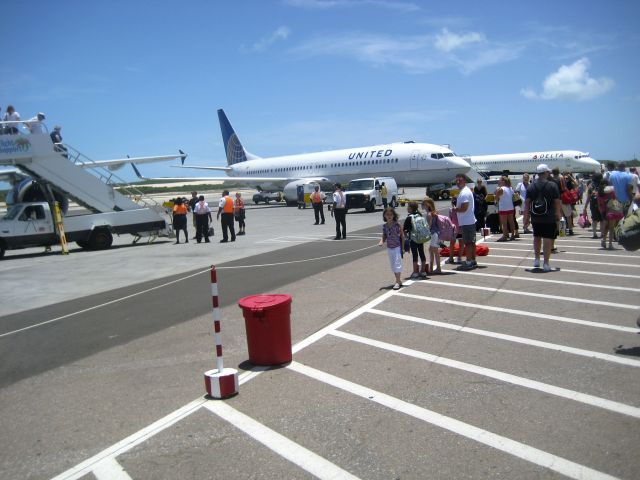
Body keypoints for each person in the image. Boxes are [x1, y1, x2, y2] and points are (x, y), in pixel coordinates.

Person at [523, 164, 561, 272]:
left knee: (537, 237)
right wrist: (558, 214)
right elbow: (557, 202)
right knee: (547, 239)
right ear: (545, 173)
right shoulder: (552, 186)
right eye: (547, 172)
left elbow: (527, 204)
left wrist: (526, 218)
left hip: (536, 217)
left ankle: (536, 259)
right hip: (549, 217)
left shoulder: (531, 186)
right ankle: (546, 263)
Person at [452, 173, 477, 270]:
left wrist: (455, 209)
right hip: (468, 221)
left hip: (467, 222)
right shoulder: (464, 191)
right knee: (471, 242)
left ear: (465, 181)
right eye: (457, 180)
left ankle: (469, 261)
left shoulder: (465, 192)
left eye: (460, 180)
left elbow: (464, 208)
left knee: (468, 243)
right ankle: (473, 260)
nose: (458, 182)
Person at [379, 207, 404, 290]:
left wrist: (403, 248)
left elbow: (402, 236)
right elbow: (384, 235)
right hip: (390, 247)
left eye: (391, 214)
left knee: (397, 264)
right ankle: (398, 280)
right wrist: (381, 241)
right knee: (393, 265)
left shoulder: (397, 224)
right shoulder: (385, 226)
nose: (389, 216)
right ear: (384, 216)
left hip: (397, 247)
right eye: (387, 215)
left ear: (394, 215)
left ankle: (397, 282)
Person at [403, 202, 428, 279]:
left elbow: (404, 230)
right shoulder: (419, 215)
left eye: (408, 207)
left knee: (415, 254)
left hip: (413, 238)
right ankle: (423, 271)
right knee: (421, 253)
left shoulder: (409, 217)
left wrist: (406, 237)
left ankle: (415, 272)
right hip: (421, 237)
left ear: (411, 208)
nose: (407, 208)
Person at [597, 179, 624, 250]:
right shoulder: (611, 192)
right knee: (611, 228)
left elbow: (599, 204)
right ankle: (610, 244)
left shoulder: (599, 193)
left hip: (604, 211)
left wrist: (601, 212)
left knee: (607, 227)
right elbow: (616, 200)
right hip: (611, 211)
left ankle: (603, 240)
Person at [422, 197, 441, 274]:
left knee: (435, 251)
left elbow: (429, 226)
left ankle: (438, 268)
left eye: (423, 204)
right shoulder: (434, 212)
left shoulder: (429, 214)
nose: (422, 205)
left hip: (433, 234)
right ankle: (431, 268)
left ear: (427, 205)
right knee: (431, 250)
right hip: (436, 233)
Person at [495, 175, 516, 241]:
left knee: (504, 223)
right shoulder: (510, 188)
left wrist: (496, 198)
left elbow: (496, 198)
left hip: (503, 207)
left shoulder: (501, 189)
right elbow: (512, 197)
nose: (499, 181)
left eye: (500, 180)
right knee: (511, 222)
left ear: (503, 181)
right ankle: (513, 235)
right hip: (510, 207)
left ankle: (505, 235)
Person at [582, 173, 603, 239]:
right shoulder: (602, 185)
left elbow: (588, 197)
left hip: (593, 204)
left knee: (594, 219)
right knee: (602, 219)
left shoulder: (591, 185)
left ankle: (594, 233)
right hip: (602, 204)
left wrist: (585, 207)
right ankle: (602, 234)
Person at [445, 197, 463, 265]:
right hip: (461, 228)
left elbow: (450, 220)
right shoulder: (460, 210)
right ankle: (459, 258)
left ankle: (451, 258)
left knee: (452, 244)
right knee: (461, 243)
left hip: (454, 229)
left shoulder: (451, 210)